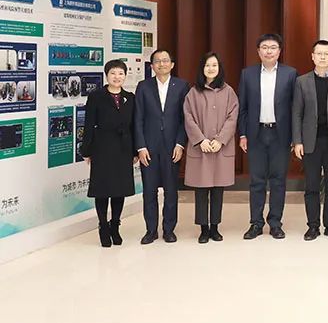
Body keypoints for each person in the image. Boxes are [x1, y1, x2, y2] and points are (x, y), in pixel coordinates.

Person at [238, 33, 297, 240]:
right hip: (256, 134)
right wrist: (243, 134)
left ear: (279, 51)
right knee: (256, 181)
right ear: (258, 51)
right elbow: (243, 107)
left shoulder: (290, 74)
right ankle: (256, 223)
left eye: (273, 47)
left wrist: (295, 137)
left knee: (278, 181)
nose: (268, 51)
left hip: (281, 135)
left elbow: (295, 108)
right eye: (264, 47)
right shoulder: (248, 74)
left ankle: (275, 223)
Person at [292, 40, 328, 241]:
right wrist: (297, 141)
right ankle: (313, 226)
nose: (323, 57)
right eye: (319, 53)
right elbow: (297, 113)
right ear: (313, 56)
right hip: (310, 142)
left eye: (327, 53)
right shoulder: (302, 82)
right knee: (311, 186)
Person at [134, 49, 190, 245]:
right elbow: (138, 118)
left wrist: (180, 143)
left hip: (172, 146)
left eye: (165, 60)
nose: (161, 64)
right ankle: (151, 230)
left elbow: (185, 119)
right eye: (157, 61)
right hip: (148, 147)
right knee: (149, 191)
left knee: (171, 190)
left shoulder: (182, 86)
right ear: (152, 66)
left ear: (172, 64)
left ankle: (169, 229)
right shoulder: (143, 86)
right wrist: (140, 146)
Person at [183, 53, 239, 243]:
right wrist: (201, 140)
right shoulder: (193, 92)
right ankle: (203, 229)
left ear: (219, 68)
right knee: (201, 190)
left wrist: (221, 139)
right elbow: (188, 118)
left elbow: (233, 117)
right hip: (202, 148)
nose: (211, 68)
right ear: (202, 68)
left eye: (214, 65)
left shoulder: (229, 91)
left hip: (220, 148)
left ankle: (215, 227)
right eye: (207, 65)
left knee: (217, 190)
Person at [80, 59, 137, 248]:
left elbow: (134, 126)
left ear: (125, 76)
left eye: (121, 73)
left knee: (120, 189)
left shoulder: (130, 97)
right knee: (102, 189)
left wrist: (135, 151)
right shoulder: (96, 96)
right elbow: (88, 124)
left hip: (123, 148)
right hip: (102, 148)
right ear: (106, 75)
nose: (117, 77)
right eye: (113, 73)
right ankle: (103, 226)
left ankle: (115, 225)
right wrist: (86, 150)